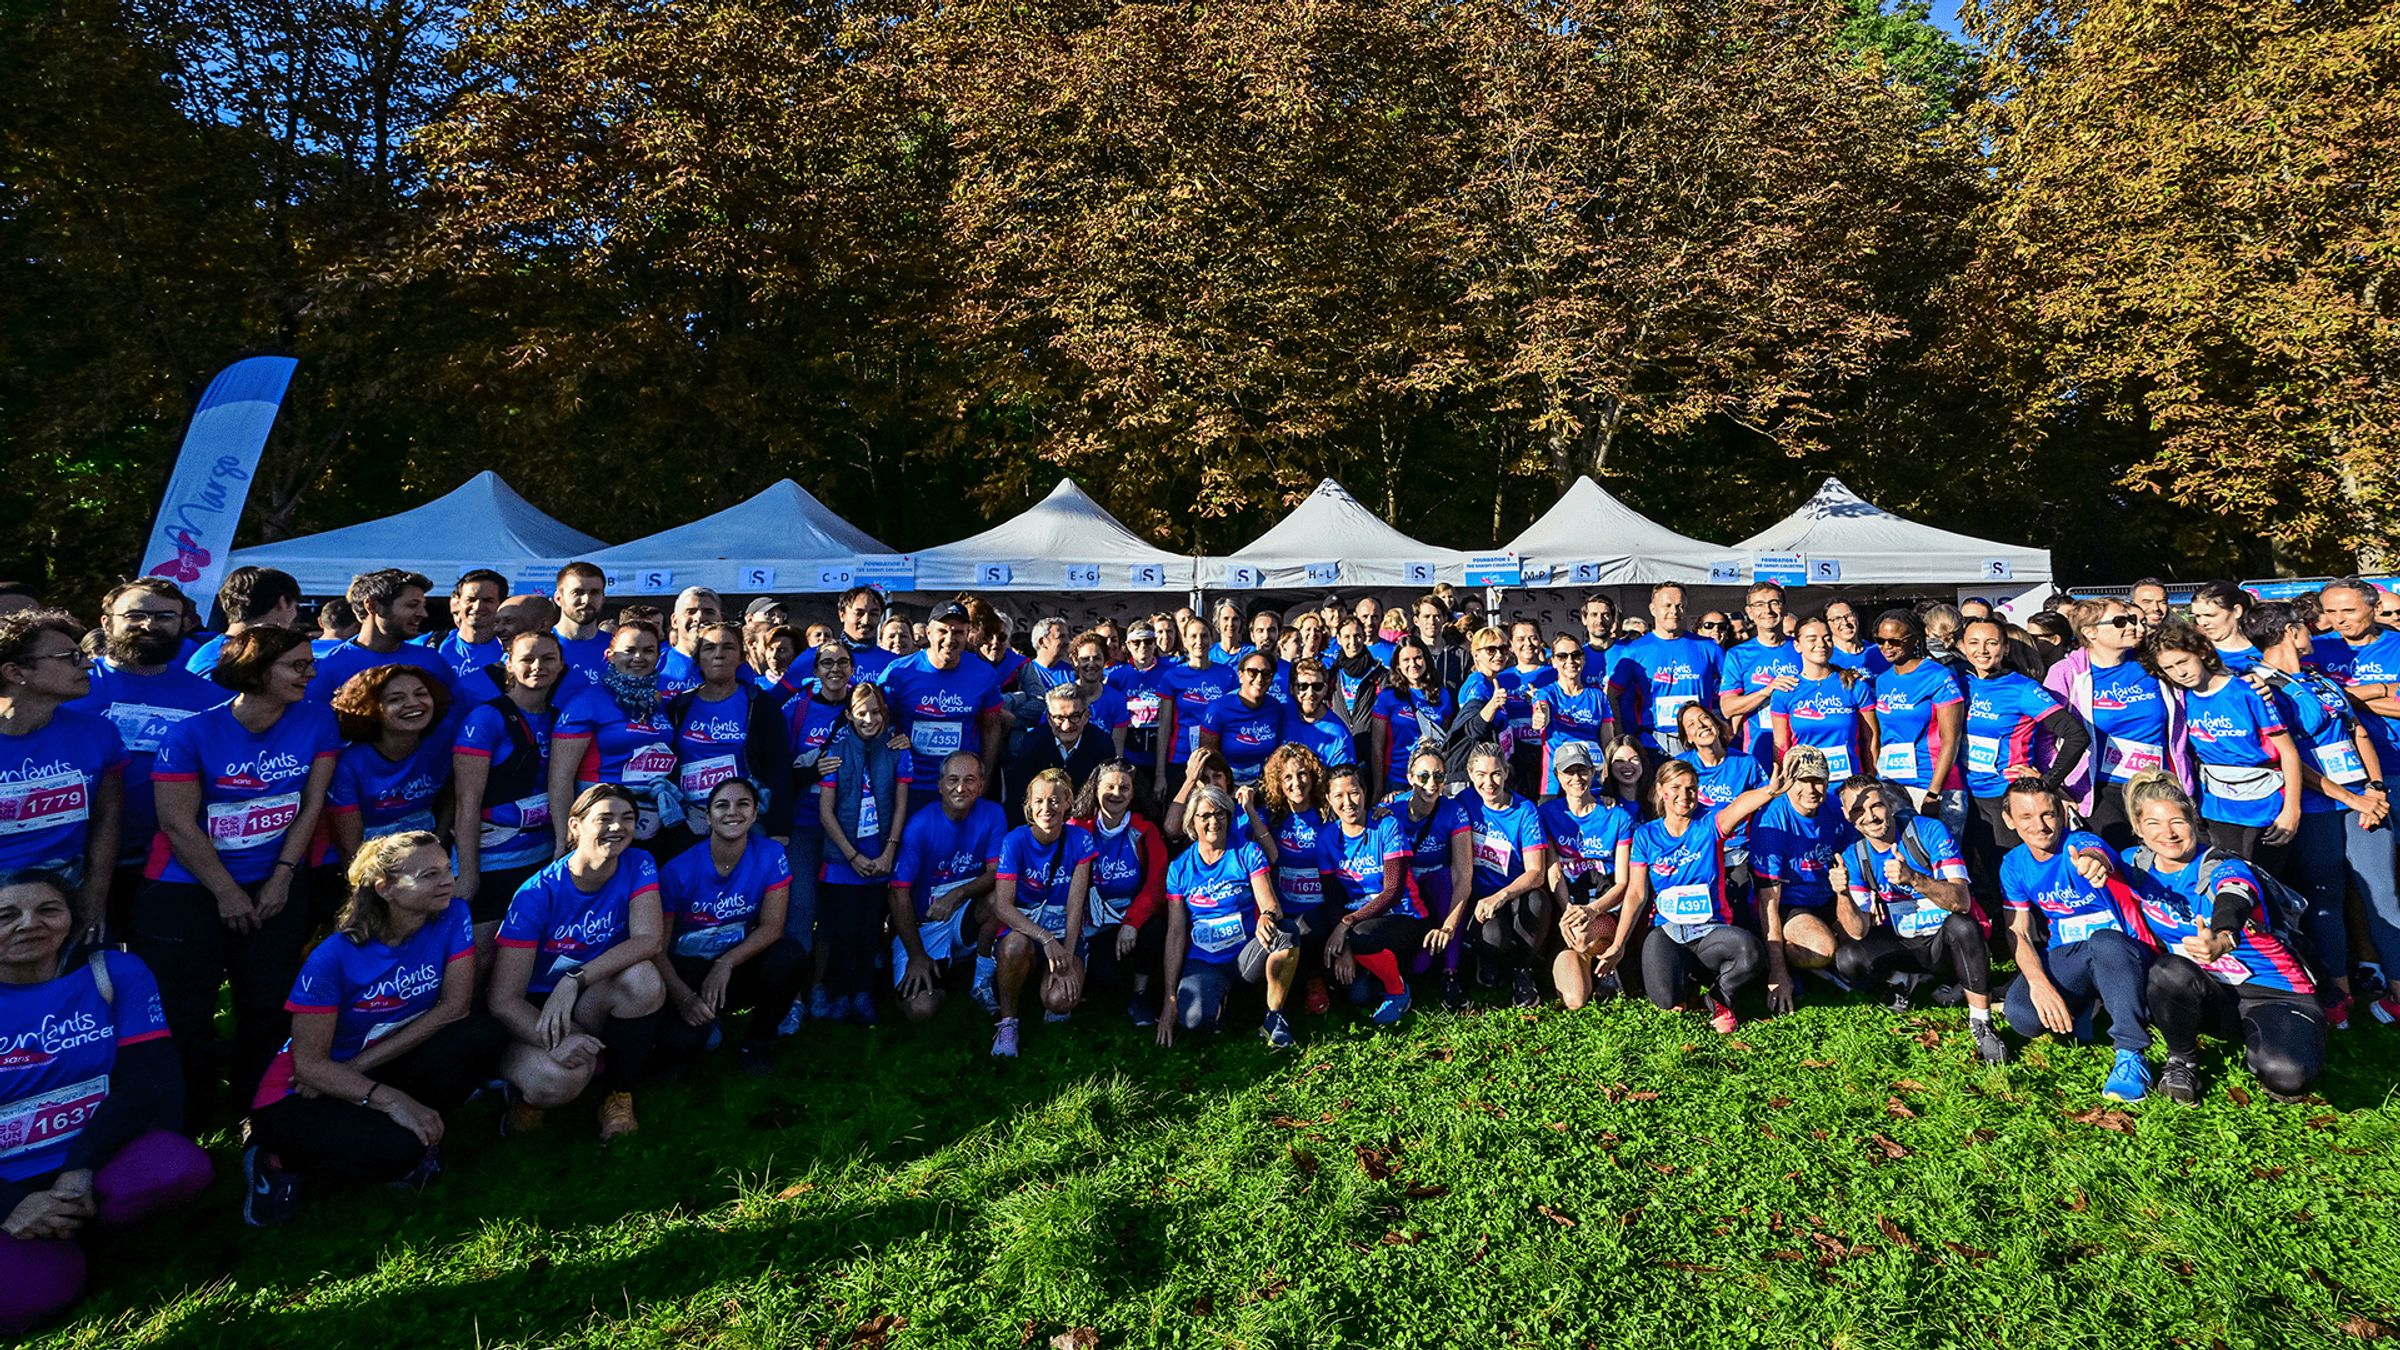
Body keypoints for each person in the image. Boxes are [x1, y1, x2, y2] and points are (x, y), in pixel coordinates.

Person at [241, 832, 501, 1224]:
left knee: (482, 1033)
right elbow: (309, 1066)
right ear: (385, 889)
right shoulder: (332, 957)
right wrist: (390, 1099)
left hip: (367, 1064)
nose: (447, 881)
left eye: (446, 869)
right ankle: (273, 1160)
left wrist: (363, 1074)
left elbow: (454, 1007)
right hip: (299, 1093)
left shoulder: (453, 915)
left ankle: (412, 1129)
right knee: (400, 1150)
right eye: (428, 875)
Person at [137, 627, 338, 1119]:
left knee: (268, 1003)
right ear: (256, 670)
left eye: (310, 663)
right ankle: (187, 1119)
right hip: (186, 886)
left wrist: (283, 876)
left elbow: (311, 805)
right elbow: (176, 823)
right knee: (187, 1009)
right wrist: (226, 892)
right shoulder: (190, 734)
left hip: (275, 881)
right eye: (297, 665)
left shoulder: (317, 719)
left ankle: (257, 1113)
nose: (310, 674)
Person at [0, 871, 210, 1334]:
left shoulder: (115, 972)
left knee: (177, 1167)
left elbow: (144, 1080)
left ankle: (76, 1228)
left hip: (91, 1159)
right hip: (7, 1179)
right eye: (6, 916)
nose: (29, 923)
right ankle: (46, 1240)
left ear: (73, 919)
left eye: (48, 910)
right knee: (30, 1300)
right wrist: (11, 1204)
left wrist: (80, 1167)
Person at [2119, 771, 2324, 1102]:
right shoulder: (2134, 865)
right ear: (2139, 829)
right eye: (2154, 824)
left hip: (2272, 991)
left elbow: (2234, 895)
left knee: (2288, 1077)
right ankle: (2181, 1062)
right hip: (2208, 991)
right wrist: (2091, 857)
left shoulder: (2223, 865)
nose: (2168, 833)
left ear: (2193, 822)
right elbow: (2093, 853)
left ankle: (2283, 1037)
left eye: (2177, 822)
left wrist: (2224, 937)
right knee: (2168, 970)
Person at [490, 785, 665, 1140]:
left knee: (644, 979)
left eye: (627, 818)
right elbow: (502, 999)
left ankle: (617, 1095)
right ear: (575, 826)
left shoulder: (639, 863)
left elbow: (649, 940)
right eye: (604, 818)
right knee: (562, 1077)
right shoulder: (535, 894)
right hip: (538, 1008)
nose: (617, 827)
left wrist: (574, 979)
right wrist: (556, 1040)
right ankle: (523, 1097)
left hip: (586, 993)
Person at [2243, 603, 2386, 1022]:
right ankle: (2338, 995)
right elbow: (2287, 757)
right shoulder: (2260, 684)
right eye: (2305, 627)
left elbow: (2356, 730)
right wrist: (2354, 799)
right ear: (2291, 631)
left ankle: (2391, 988)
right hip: (2318, 804)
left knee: (2382, 894)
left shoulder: (2318, 676)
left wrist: (2374, 789)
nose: (2314, 633)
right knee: (2326, 898)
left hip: (2362, 797)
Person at [69, 580, 223, 932]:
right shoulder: (71, 689)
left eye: (165, 616)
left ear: (184, 623)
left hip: (173, 862)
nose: (149, 625)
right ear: (107, 622)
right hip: (75, 859)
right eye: (135, 615)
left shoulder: (211, 697)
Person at [1997, 781, 2158, 1101]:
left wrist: (2093, 863)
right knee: (2022, 1014)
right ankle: (2088, 1007)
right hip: (2072, 953)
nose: (2040, 826)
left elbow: (2096, 854)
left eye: (2048, 814)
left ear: (2061, 813)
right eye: (2026, 817)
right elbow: (2019, 932)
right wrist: (2038, 983)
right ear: (2009, 820)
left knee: (2104, 942)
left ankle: (2131, 1055)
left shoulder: (2079, 843)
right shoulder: (2013, 864)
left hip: (2124, 950)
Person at [1600, 756, 1785, 1032]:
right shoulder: (1646, 836)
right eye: (1675, 788)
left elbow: (1739, 806)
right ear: (1661, 791)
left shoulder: (1709, 825)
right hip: (1668, 930)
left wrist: (1769, 791)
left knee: (1751, 953)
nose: (1684, 795)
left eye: (1691, 788)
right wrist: (1618, 944)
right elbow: (1636, 894)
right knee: (1666, 999)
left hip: (1711, 930)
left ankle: (1719, 996)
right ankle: (1688, 982)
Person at [1829, 777, 2006, 1058]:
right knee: (1848, 958)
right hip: (1904, 942)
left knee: (1963, 926)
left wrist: (1914, 879)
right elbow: (1857, 931)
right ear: (1847, 815)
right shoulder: (1855, 855)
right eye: (1858, 810)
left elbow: (1961, 901)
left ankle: (1981, 1022)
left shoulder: (1928, 831)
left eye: (1876, 806)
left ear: (1889, 803)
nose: (1870, 816)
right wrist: (1842, 894)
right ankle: (1906, 978)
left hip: (1944, 943)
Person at [653, 779, 807, 1072]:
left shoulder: (771, 854)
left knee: (789, 954)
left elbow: (772, 927)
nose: (732, 812)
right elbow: (657, 948)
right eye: (722, 805)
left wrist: (726, 963)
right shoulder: (677, 870)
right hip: (685, 973)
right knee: (683, 1047)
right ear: (708, 816)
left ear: (755, 813)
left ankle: (757, 1044)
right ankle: (704, 1022)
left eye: (743, 804)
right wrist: (684, 998)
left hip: (734, 967)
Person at [0, 610, 124, 937]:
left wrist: (95, 894)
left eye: (82, 654)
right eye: (69, 657)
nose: (88, 665)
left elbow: (107, 818)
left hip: (67, 888)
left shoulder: (98, 732)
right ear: (15, 672)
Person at [2142, 620, 2299, 863]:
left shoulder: (2247, 691)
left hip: (2264, 804)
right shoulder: (2179, 698)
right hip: (2216, 807)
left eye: (2183, 661)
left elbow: (2288, 752)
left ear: (2202, 652)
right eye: (2169, 668)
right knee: (2229, 875)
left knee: (2267, 878)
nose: (2180, 673)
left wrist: (2292, 810)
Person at [450, 630, 565, 954]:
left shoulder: (561, 718)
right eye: (527, 659)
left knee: (527, 952)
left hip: (541, 856)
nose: (538, 666)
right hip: (492, 859)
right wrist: (469, 873)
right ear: (509, 664)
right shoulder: (486, 718)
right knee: (481, 956)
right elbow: (466, 801)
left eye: (548, 658)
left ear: (560, 665)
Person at [2043, 598, 2192, 849]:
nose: (2133, 626)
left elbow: (2201, 677)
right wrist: (2057, 787)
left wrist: (2252, 679)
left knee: (2166, 856)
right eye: (2120, 621)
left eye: (2132, 619)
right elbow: (2045, 737)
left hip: (2156, 782)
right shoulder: (2067, 672)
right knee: (2118, 859)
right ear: (2090, 632)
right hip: (2101, 787)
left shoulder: (2152, 662)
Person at [1957, 616, 2087, 896]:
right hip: (1966, 794)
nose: (1982, 650)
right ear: (1962, 647)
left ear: (2005, 648)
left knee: (2014, 879)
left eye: (1992, 643)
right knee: (1979, 879)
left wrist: (2047, 783)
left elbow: (2076, 735)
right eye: (1974, 643)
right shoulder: (1960, 683)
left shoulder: (2022, 689)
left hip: (2004, 796)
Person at [1158, 784, 1296, 1047]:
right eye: (1205, 816)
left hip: (1246, 955)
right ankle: (1229, 1001)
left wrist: (1266, 916)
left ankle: (1274, 1016)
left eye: (1220, 813)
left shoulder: (1247, 851)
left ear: (1229, 817)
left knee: (1287, 932)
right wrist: (1169, 998)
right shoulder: (1179, 868)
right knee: (1194, 1021)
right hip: (1205, 960)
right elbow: (1175, 933)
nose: (1214, 821)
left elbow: (1271, 905)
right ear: (1191, 823)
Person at [815, 684, 911, 1023]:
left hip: (881, 856)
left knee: (870, 930)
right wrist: (851, 856)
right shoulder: (836, 750)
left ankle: (864, 993)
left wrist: (889, 852)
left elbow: (901, 806)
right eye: (861, 713)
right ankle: (839, 993)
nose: (869, 719)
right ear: (849, 715)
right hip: (842, 861)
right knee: (842, 931)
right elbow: (826, 812)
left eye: (876, 711)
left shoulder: (897, 749)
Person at [887, 751, 1006, 1023]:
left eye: (969, 780)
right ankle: (937, 969)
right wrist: (916, 955)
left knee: (997, 898)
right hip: (924, 926)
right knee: (920, 1010)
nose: (961, 788)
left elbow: (996, 873)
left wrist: (957, 894)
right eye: (953, 780)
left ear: (981, 785)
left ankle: (981, 981)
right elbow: (897, 894)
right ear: (940, 785)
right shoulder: (919, 825)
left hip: (963, 914)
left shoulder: (993, 814)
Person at [986, 769, 1097, 1057]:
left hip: (1063, 932)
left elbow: (1075, 906)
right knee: (1013, 947)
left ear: (1068, 802)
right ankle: (1008, 1023)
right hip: (1028, 931)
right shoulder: (1015, 841)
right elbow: (1002, 905)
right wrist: (1045, 938)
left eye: (1054, 800)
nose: (1046, 808)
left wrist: (1067, 958)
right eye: (1039, 801)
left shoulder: (1081, 839)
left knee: (1059, 1001)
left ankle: (1049, 987)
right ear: (1029, 805)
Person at [663, 622, 793, 850]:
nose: (719, 654)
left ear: (742, 657)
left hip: (745, 821)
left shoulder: (760, 704)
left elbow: (779, 767)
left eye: (728, 647)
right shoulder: (679, 705)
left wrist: (778, 828)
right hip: (690, 821)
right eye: (709, 648)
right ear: (698, 658)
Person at [551, 623, 677, 854]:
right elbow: (561, 777)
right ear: (610, 655)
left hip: (654, 823)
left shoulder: (658, 702)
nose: (638, 657)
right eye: (629, 650)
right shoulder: (587, 702)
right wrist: (563, 838)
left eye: (648, 651)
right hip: (604, 821)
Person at [1749, 747, 1856, 1012]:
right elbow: (1768, 902)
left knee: (1863, 927)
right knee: (1824, 948)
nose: (1810, 789)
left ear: (1827, 781)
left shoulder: (1835, 806)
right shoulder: (1771, 822)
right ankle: (1785, 958)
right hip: (1792, 904)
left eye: (1817, 780)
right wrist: (1777, 971)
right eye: (1801, 781)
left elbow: (1853, 857)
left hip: (1830, 893)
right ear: (1788, 782)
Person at [1449, 744, 1552, 1008]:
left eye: (1496, 773)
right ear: (1470, 774)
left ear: (1506, 772)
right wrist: (1388, 803)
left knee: (1538, 902)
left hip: (1513, 893)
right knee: (1494, 939)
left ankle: (1523, 970)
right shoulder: (1463, 802)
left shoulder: (1525, 810)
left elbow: (1536, 872)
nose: (1489, 782)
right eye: (1481, 775)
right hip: (1478, 898)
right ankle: (1488, 959)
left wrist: (1502, 896)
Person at [1070, 761, 1168, 1025]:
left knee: (1155, 928)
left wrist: (1132, 922)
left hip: (1132, 915)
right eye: (1109, 786)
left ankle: (1140, 994)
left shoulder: (1145, 830)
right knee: (1108, 974)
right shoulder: (1076, 829)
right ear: (1095, 789)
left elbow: (1156, 884)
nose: (1116, 793)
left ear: (1133, 793)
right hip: (1092, 920)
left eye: (1124, 788)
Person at [325, 665, 454, 862]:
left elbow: (451, 800)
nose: (413, 703)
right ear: (370, 707)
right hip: (371, 862)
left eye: (421, 694)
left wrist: (438, 848)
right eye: (395, 699)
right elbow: (350, 850)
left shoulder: (443, 742)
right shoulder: (348, 765)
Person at [1539, 743, 1633, 1011]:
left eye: (1582, 770)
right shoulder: (1547, 814)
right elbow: (1554, 869)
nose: (1576, 778)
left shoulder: (1617, 816)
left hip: (1604, 908)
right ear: (1558, 776)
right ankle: (1589, 964)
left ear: (1593, 772)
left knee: (1582, 934)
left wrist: (1592, 911)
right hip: (1570, 909)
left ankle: (1607, 964)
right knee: (1575, 1000)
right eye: (1569, 772)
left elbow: (1623, 882)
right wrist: (1568, 910)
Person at [881, 601, 1006, 801]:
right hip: (909, 786)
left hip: (961, 790)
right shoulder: (898, 672)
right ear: (928, 632)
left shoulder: (984, 674)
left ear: (967, 634)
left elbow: (991, 728)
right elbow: (879, 723)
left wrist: (985, 779)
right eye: (943, 631)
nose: (950, 639)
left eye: (958, 632)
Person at [1869, 610, 1968, 842]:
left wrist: (1934, 792)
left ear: (1915, 639)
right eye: (1880, 640)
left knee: (1941, 857)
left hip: (1932, 783)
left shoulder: (1938, 676)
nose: (1886, 647)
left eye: (1894, 641)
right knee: (1900, 854)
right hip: (1892, 782)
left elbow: (1951, 739)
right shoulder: (1883, 680)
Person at [1251, 745, 1334, 1014]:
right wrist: (1248, 807)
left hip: (1320, 907)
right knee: (1288, 932)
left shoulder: (1327, 812)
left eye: (1302, 774)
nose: (1296, 783)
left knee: (1308, 930)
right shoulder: (1271, 816)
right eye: (1287, 777)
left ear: (1313, 776)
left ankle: (1314, 979)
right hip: (1283, 906)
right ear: (1278, 782)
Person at [1609, 583, 1722, 761]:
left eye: (1679, 606)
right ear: (1652, 609)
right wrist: (1620, 735)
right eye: (1667, 605)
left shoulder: (1708, 647)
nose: (1674, 611)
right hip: (1655, 742)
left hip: (1698, 739)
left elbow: (1732, 690)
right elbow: (1612, 694)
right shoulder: (1634, 651)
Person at [1768, 615, 1879, 782]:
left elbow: (1871, 738)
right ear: (1797, 645)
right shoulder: (1785, 691)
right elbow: (1781, 746)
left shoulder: (1854, 685)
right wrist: (1784, 782)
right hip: (1806, 785)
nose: (1821, 644)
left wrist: (1872, 778)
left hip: (1850, 785)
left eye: (1827, 638)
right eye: (1812, 639)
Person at [314, 570, 455, 698]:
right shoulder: (328, 667)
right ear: (373, 606)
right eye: (412, 605)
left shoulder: (430, 660)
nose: (423, 614)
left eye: (422, 606)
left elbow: (455, 710)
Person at [1673, 703, 1767, 889]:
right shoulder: (1681, 766)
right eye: (1691, 724)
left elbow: (1766, 805)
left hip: (1736, 851)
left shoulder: (1746, 763)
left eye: (1704, 718)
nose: (1700, 725)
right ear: (1688, 738)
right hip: (1697, 852)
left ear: (1715, 724)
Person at [1718, 583, 1801, 767]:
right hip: (1759, 747)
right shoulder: (1738, 654)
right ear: (1749, 612)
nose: (1768, 610)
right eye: (1759, 605)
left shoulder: (1801, 648)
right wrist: (1766, 691)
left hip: (1800, 745)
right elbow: (1728, 708)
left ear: (1784, 608)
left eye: (1774, 603)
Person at [1006, 685, 1114, 824]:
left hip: (1085, 823)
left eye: (1074, 716)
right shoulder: (1032, 743)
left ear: (1087, 715)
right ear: (1049, 718)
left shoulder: (1102, 745)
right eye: (1059, 718)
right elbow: (1019, 796)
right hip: (1041, 822)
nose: (1066, 726)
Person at [1368, 637, 1456, 795]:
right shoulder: (1388, 696)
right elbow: (1377, 747)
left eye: (1418, 658)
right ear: (1398, 665)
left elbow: (1444, 738)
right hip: (1397, 779)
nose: (1413, 664)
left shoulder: (1442, 695)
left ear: (1426, 659)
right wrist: (1378, 788)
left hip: (1430, 778)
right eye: (1406, 660)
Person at [184, 567, 301, 678]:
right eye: (296, 606)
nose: (295, 615)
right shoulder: (224, 660)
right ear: (282, 602)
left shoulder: (214, 654)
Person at [1201, 650, 1295, 786]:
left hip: (1264, 784)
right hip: (1227, 785)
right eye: (1252, 672)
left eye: (1266, 674)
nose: (1259, 679)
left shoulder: (1275, 708)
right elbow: (1208, 759)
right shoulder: (1218, 709)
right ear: (1240, 676)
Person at [1106, 621, 1173, 802]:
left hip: (1160, 756)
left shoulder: (1169, 673)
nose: (1143, 646)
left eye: (1148, 642)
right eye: (1136, 642)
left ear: (1155, 643)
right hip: (1130, 757)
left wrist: (1161, 775)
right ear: (1128, 645)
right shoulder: (1116, 677)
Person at [428, 570, 508, 677]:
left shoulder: (511, 651)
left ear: (502, 605)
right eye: (471, 599)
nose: (478, 607)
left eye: (487, 600)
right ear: (458, 602)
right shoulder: (430, 644)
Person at [1064, 631, 1130, 757]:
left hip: (1104, 766)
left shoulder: (1117, 700)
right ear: (1075, 660)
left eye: (1097, 658)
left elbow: (1117, 750)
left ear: (1105, 660)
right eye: (1085, 659)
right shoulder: (1063, 698)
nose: (1091, 664)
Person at [1284, 661, 1355, 770]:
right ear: (1291, 689)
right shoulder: (1282, 715)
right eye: (1302, 686)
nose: (1310, 693)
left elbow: (1343, 778)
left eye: (1317, 686)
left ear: (1325, 689)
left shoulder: (1339, 735)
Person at [549, 562, 611, 686]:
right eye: (578, 592)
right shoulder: (535, 646)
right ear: (558, 599)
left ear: (603, 598)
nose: (586, 600)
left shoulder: (618, 648)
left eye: (594, 592)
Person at [654, 587, 723, 696]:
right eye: (690, 611)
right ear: (674, 620)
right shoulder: (655, 663)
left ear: (720, 620)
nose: (699, 617)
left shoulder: (734, 665)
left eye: (709, 612)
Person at [2188, 581, 2260, 673]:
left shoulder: (2265, 649)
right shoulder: (2194, 652)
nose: (2202, 622)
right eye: (2197, 616)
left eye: (2210, 615)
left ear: (2237, 611)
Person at [1823, 600, 1889, 676]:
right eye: (1837, 619)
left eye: (1849, 616)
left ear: (1857, 617)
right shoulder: (1825, 656)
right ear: (1826, 624)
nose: (1845, 622)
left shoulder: (1878, 651)